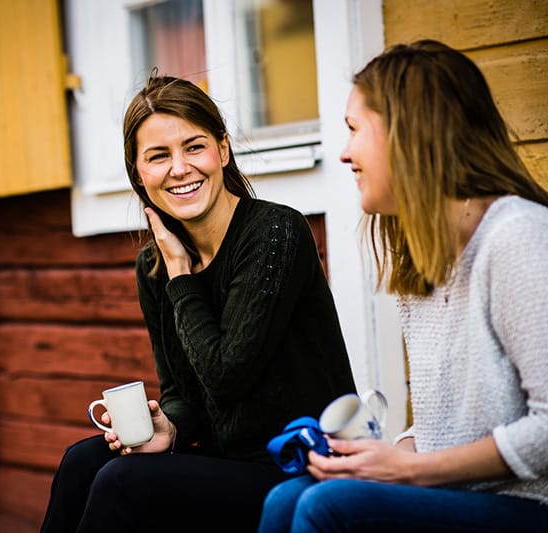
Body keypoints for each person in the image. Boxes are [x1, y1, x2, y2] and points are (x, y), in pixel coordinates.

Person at [258, 39, 548, 532]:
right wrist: (382, 458)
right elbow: (442, 425)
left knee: (326, 509)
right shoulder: (423, 254)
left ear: (408, 134)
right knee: (290, 498)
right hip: (461, 496)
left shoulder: (522, 238)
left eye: (354, 131)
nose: (345, 154)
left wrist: (410, 470)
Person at [40, 73, 356, 532]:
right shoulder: (155, 264)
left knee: (124, 482)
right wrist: (171, 428)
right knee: (82, 460)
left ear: (222, 151)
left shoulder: (275, 233)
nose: (180, 168)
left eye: (194, 147)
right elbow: (182, 393)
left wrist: (182, 277)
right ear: (138, 173)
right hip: (223, 461)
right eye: (158, 156)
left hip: (300, 465)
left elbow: (226, 376)